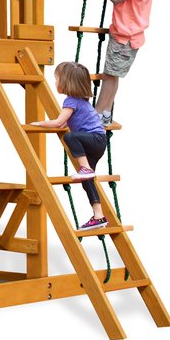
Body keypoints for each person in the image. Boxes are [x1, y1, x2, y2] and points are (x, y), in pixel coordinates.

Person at [31, 61, 110, 230]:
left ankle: (85, 169)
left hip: (93, 139)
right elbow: (63, 122)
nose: (55, 82)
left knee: (70, 137)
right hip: (98, 142)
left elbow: (59, 122)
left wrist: (39, 124)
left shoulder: (71, 101)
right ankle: (99, 215)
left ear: (66, 83)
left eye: (57, 79)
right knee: (87, 181)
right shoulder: (81, 101)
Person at [89, 0, 154, 126]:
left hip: (126, 36)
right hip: (124, 33)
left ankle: (97, 114)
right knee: (112, 75)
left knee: (109, 76)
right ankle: (106, 113)